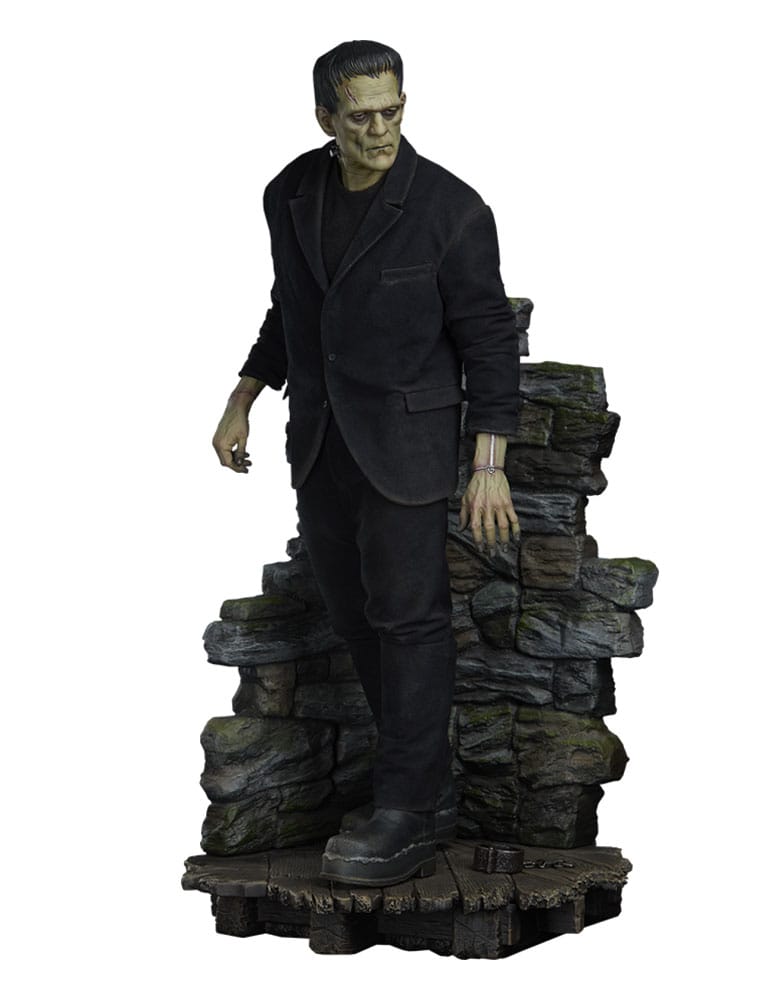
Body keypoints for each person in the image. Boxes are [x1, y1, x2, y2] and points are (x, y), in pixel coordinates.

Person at [212, 40, 521, 886]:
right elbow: (291, 307)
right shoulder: (290, 193)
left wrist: (488, 461)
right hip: (321, 443)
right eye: (360, 117)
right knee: (353, 619)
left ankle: (408, 808)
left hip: (409, 448)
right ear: (325, 118)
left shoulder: (452, 208)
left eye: (392, 111)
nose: (380, 130)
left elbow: (489, 341)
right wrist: (244, 394)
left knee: (409, 622)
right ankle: (428, 786)